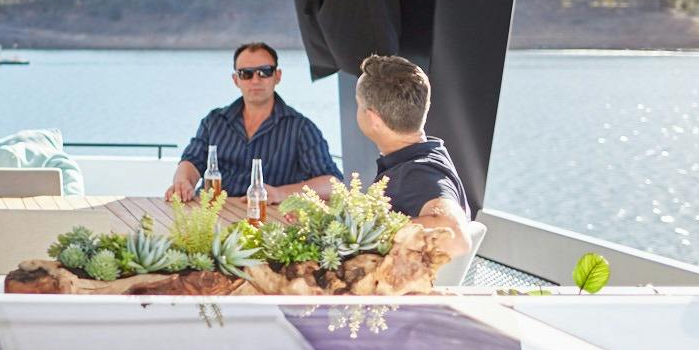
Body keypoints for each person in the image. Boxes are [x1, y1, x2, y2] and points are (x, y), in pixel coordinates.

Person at [164, 42, 341, 203]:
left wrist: (280, 194)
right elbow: (191, 162)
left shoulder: (301, 128)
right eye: (246, 73)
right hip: (210, 219)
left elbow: (332, 183)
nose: (255, 80)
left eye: (264, 71)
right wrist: (183, 183)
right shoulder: (214, 122)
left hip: (269, 225)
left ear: (277, 76)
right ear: (236, 80)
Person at [354, 54, 471, 255]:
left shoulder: (417, 175)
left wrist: (365, 232)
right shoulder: (430, 154)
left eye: (358, 103)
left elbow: (456, 234)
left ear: (373, 118)